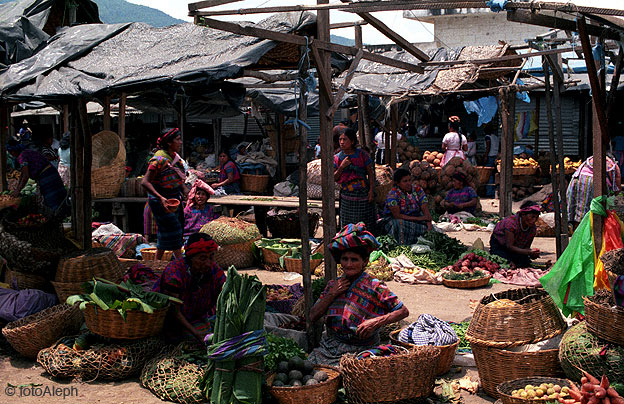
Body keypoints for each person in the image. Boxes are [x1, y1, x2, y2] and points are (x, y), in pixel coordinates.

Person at [308, 223, 409, 366]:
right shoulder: (333, 285)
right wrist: (332, 294)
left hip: (362, 351)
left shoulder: (375, 286)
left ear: (365, 261)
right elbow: (313, 316)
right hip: (329, 347)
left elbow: (403, 311)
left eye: (354, 259)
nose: (348, 264)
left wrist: (375, 322)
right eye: (345, 259)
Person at [153, 233, 226, 342]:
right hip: (172, 320)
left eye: (211, 257)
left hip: (197, 316)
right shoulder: (174, 273)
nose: (208, 263)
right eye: (202, 258)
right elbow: (173, 310)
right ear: (191, 258)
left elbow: (223, 301)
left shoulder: (215, 272)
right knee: (193, 339)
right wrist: (196, 333)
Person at [141, 128, 188, 260]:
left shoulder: (175, 158)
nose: (181, 142)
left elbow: (176, 179)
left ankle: (156, 263)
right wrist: (160, 198)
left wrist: (184, 189)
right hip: (160, 201)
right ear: (168, 142)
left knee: (164, 231)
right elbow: (145, 182)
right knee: (175, 230)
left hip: (173, 198)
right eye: (178, 140)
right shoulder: (159, 159)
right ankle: (181, 264)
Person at [8, 138, 69, 216]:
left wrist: (18, 190)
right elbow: (22, 175)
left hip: (46, 177)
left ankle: (58, 217)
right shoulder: (26, 152)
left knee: (52, 199)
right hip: (52, 173)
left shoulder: (22, 157)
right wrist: (17, 189)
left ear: (13, 151)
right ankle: (64, 215)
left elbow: (26, 175)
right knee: (59, 197)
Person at [334, 128, 376, 231]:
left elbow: (371, 174)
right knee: (348, 225)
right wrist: (342, 167)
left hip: (363, 195)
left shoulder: (362, 155)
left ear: (352, 141)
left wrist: (371, 191)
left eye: (345, 139)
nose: (342, 142)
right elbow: (334, 177)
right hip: (347, 196)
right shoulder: (337, 158)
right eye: (340, 139)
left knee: (364, 223)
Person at [380, 168, 432, 244]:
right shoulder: (393, 194)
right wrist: (419, 219)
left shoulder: (418, 191)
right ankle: (400, 245)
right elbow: (397, 215)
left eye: (409, 180)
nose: (408, 183)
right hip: (395, 220)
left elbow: (425, 210)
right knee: (398, 225)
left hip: (417, 218)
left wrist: (429, 224)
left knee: (429, 229)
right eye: (405, 181)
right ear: (398, 183)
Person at [566, 156, 621, 226]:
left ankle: (574, 227)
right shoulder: (612, 164)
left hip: (577, 179)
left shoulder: (590, 160)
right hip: (590, 182)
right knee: (592, 210)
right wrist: (616, 191)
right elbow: (617, 182)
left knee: (579, 208)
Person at [490, 201, 541, 268]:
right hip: (500, 246)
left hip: (516, 248)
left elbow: (526, 248)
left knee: (524, 263)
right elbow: (509, 246)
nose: (534, 220)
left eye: (536, 218)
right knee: (503, 263)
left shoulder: (532, 228)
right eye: (532, 217)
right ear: (523, 214)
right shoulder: (511, 223)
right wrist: (528, 252)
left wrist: (533, 254)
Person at [484, 127, 500, 197]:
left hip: (490, 156)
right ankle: (494, 191)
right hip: (496, 157)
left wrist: (485, 156)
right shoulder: (496, 137)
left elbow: (488, 146)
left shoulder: (488, 137)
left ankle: (489, 192)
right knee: (494, 175)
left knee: (489, 175)